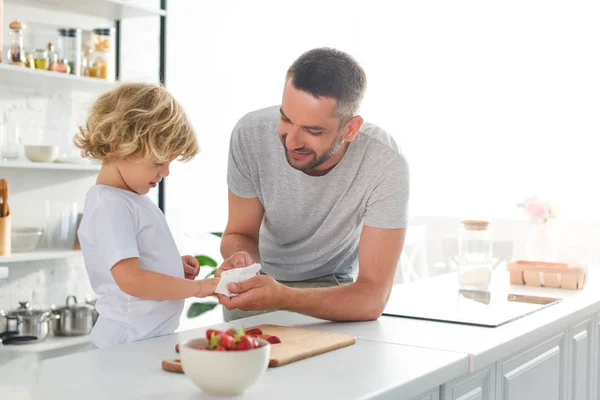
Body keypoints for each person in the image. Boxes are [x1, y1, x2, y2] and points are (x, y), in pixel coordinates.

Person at [217, 48, 409, 322]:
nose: (292, 141)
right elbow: (240, 233)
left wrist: (283, 296)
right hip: (257, 286)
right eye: (285, 119)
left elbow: (371, 298)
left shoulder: (385, 162)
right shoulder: (250, 135)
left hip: (335, 296)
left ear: (351, 129)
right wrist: (241, 260)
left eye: (313, 131)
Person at [75, 83, 219, 348]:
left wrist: (172, 265)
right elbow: (131, 280)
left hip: (144, 338)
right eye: (157, 162)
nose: (165, 173)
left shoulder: (130, 200)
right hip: (127, 341)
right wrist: (202, 288)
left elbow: (136, 262)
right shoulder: (111, 206)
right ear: (120, 145)